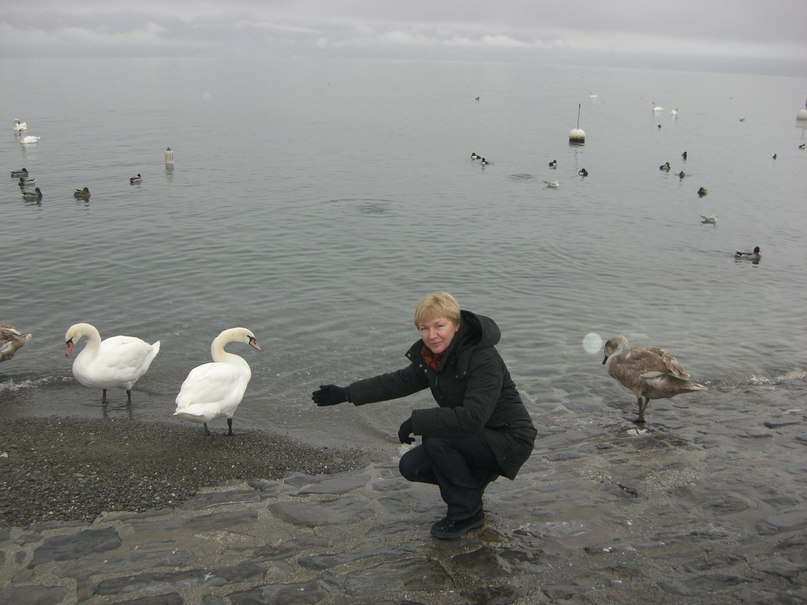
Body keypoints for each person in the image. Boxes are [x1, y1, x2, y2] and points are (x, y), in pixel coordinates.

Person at [312, 292, 537, 539]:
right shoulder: (434, 358)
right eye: (424, 328)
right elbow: (397, 382)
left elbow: (472, 418)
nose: (432, 335)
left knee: (436, 437)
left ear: (456, 324)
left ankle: (467, 514)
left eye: (439, 326)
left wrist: (417, 421)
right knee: (412, 466)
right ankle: (470, 489)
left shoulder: (482, 357)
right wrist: (346, 393)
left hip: (509, 439)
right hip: (477, 438)